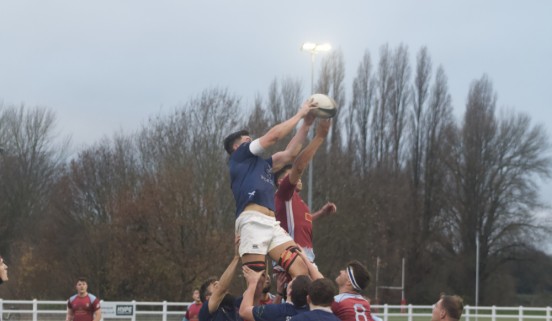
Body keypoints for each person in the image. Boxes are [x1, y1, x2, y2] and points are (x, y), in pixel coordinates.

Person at [223, 99, 317, 278]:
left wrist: (306, 124)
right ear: (237, 147)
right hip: (252, 221)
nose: (250, 139)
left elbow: (290, 153)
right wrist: (300, 114)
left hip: (272, 224)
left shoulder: (263, 165)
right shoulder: (240, 156)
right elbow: (273, 137)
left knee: (301, 270)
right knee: (257, 282)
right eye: (246, 139)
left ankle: (294, 305)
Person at [274, 118, 336, 264]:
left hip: (302, 256)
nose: (298, 177)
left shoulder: (294, 200)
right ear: (280, 182)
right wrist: (319, 137)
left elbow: (298, 223)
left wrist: (320, 214)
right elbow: (299, 166)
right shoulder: (284, 194)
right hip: (293, 257)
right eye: (292, 175)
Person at [240, 266, 311, 321]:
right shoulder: (314, 313)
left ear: (289, 292)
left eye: (291, 281)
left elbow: (244, 311)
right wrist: (279, 293)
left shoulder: (277, 311)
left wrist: (253, 282)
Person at [198, 237, 242, 321]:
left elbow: (255, 291)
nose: (219, 284)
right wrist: (236, 257)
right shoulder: (204, 313)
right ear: (208, 298)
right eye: (215, 286)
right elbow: (222, 288)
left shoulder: (234, 304)